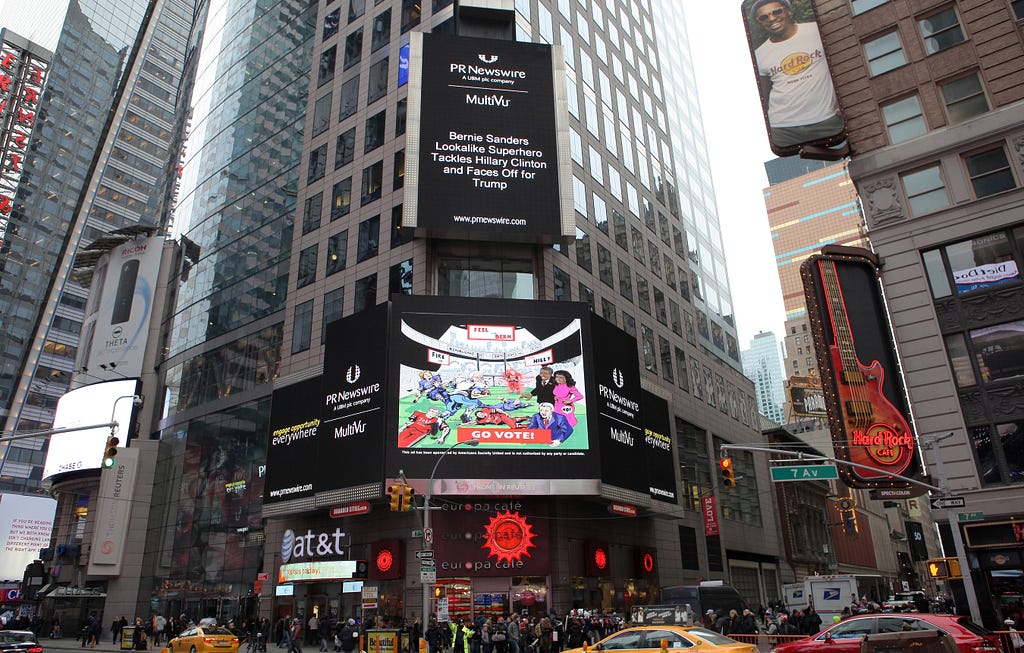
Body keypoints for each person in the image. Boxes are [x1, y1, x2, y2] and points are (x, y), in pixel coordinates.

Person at [749, 0, 844, 150]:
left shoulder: (816, 31)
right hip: (782, 128)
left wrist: (844, 97)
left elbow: (843, 62)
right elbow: (764, 93)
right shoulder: (760, 54)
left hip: (826, 118)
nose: (772, 19)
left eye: (777, 12)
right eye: (764, 17)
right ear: (759, 22)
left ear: (789, 11)